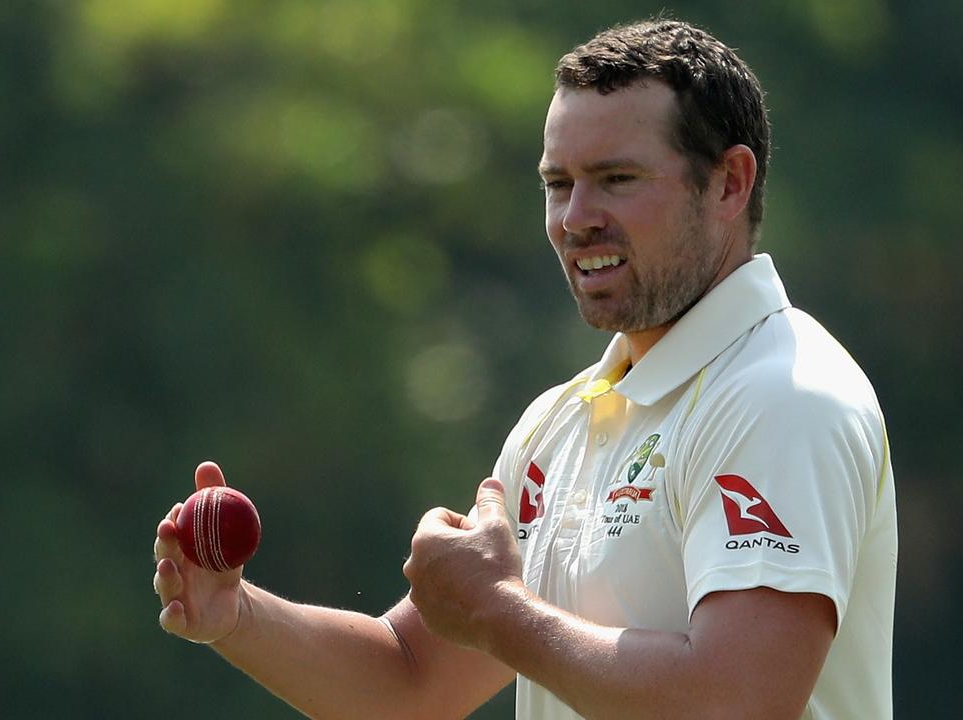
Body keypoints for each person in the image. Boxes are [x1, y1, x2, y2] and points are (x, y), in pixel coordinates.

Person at [153, 18, 896, 720]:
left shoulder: (786, 397)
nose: (576, 217)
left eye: (617, 178)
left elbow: (734, 701)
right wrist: (235, 615)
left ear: (730, 183)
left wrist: (498, 611)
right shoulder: (562, 420)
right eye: (557, 183)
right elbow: (411, 681)